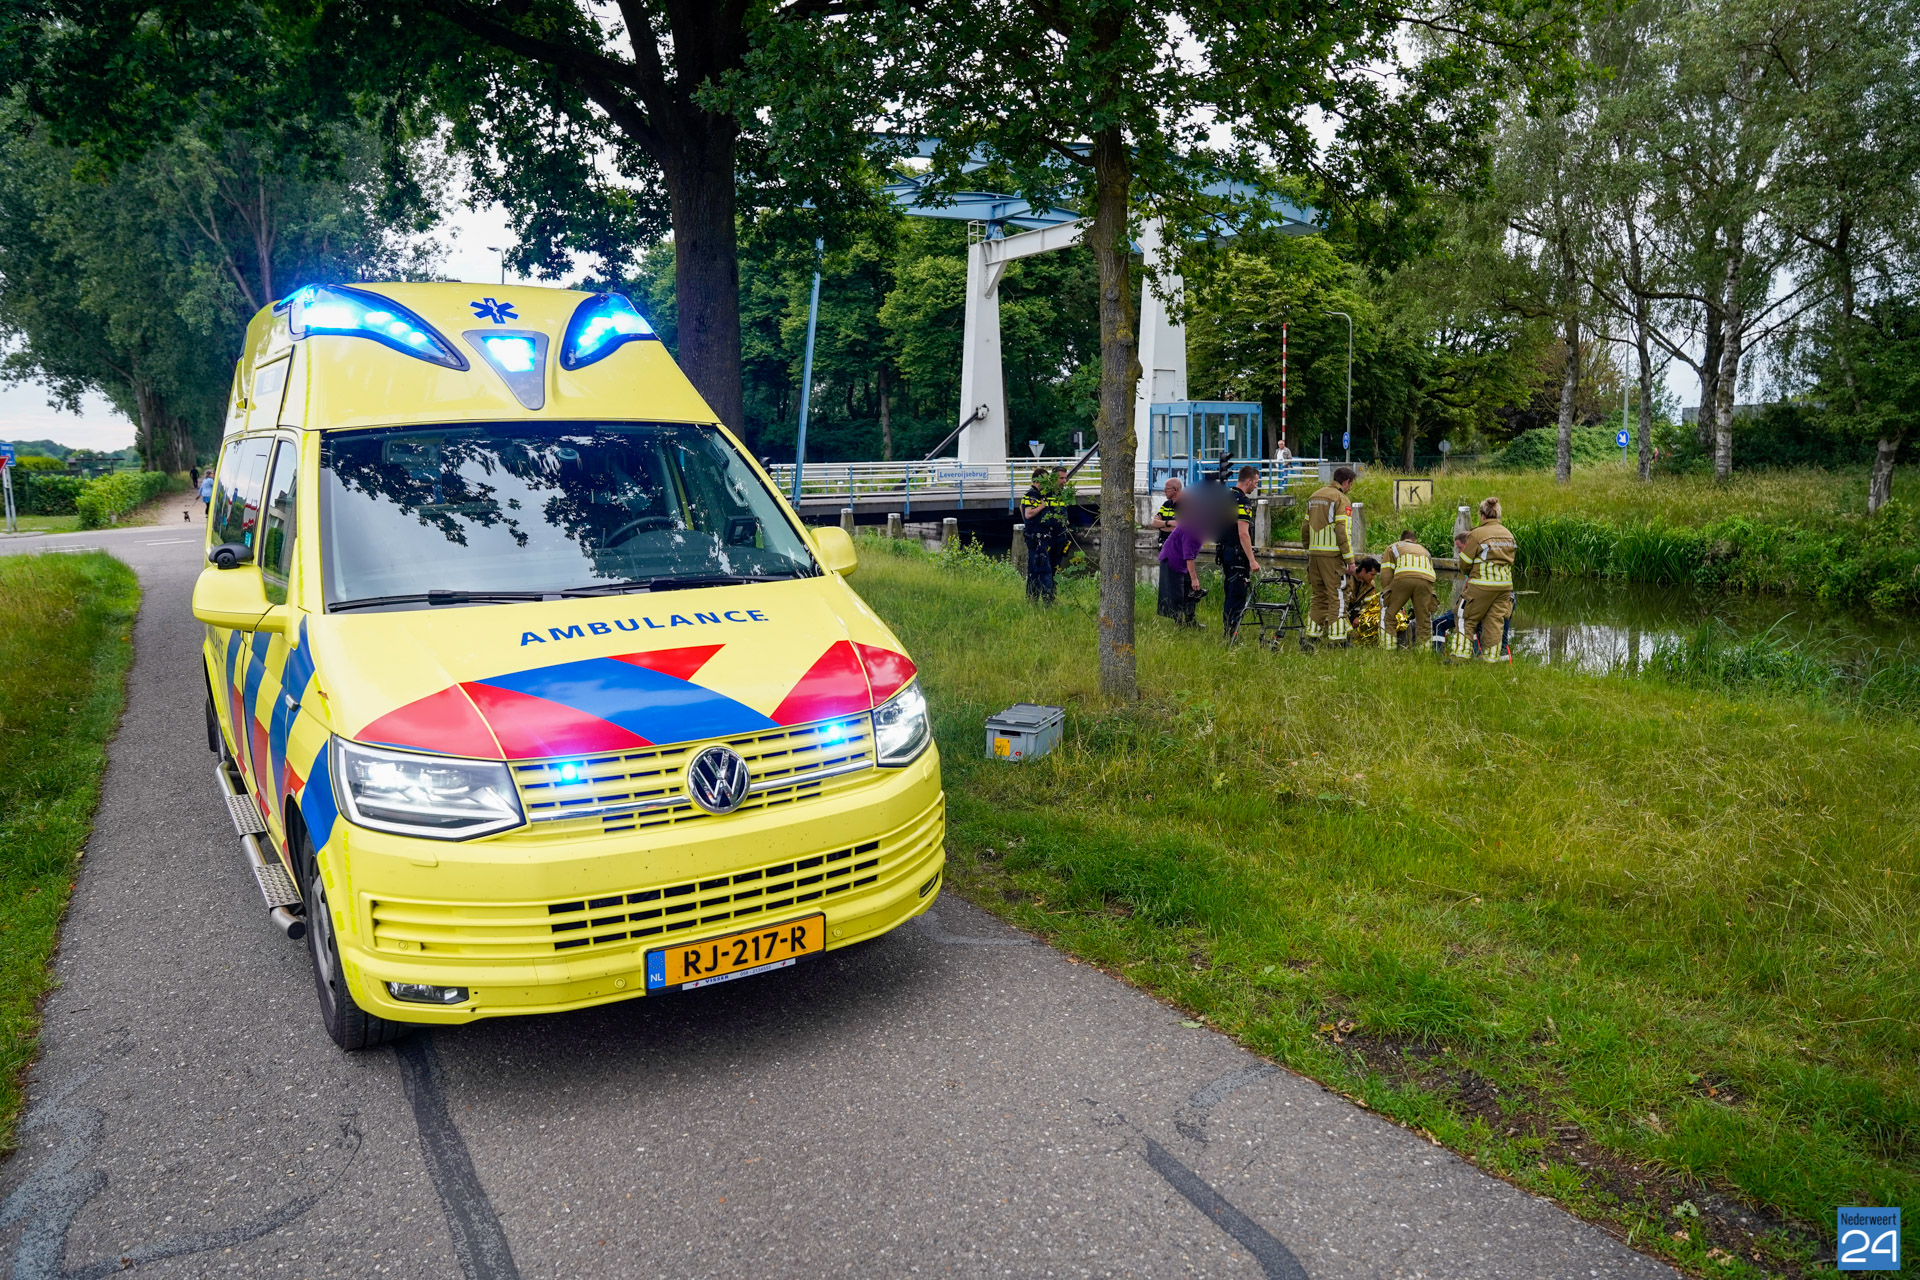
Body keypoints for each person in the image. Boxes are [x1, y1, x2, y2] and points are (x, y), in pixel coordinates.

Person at [1451, 496, 1517, 661]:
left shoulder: (1477, 533)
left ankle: (1460, 657)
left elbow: (1465, 562)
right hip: (1505, 587)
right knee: (1494, 623)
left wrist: (1469, 572)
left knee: (1464, 616)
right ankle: (1490, 660)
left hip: (1481, 585)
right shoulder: (1508, 534)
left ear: (1482, 516)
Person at [1301, 465, 1356, 646]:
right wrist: (1350, 560)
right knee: (1337, 597)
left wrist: (1309, 549)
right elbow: (1342, 531)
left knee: (1318, 597)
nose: (1349, 488)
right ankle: (1338, 640)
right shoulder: (1341, 499)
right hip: (1332, 557)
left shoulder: (1314, 496)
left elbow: (1304, 528)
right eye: (1350, 484)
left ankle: (1311, 637)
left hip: (1314, 556)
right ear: (1346, 482)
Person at [1218, 465, 1261, 639]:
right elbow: (1243, 533)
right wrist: (1252, 560)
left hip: (1224, 552)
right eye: (1256, 482)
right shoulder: (1242, 501)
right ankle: (1232, 633)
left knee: (1229, 591)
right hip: (1237, 554)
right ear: (1248, 480)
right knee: (1237, 594)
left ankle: (1227, 628)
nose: (1256, 486)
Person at [1377, 528, 1438, 649]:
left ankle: (1387, 648)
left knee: (1387, 614)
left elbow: (1386, 575)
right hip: (1426, 581)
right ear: (1415, 542)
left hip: (1403, 577)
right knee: (1424, 618)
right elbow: (1431, 574)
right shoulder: (1425, 551)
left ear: (1401, 540)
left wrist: (1388, 595)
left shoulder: (1393, 547)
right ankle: (1424, 652)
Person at [1157, 503, 1207, 624]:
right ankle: (1178, 622)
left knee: (1189, 590)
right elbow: (1188, 556)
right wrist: (1194, 578)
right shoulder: (1190, 529)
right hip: (1171, 559)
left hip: (1181, 560)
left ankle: (1190, 620)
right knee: (1177, 593)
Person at [1020, 466, 1064, 604]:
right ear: (1039, 480)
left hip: (1041, 537)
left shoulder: (1040, 494)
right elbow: (1027, 512)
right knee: (1044, 571)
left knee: (1034, 572)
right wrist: (1041, 507)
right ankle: (1048, 602)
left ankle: (1031, 601)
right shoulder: (1033, 494)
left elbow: (1021, 508)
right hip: (1037, 539)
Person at [1345, 556, 1382, 645]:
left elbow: (1368, 605)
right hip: (1341, 611)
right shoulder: (1347, 580)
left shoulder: (1370, 585)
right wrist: (1351, 633)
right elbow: (1341, 608)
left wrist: (1359, 616)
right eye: (1372, 574)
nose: (1373, 578)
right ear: (1364, 571)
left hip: (1353, 612)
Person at [1150, 476, 1183, 544]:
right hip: (1163, 545)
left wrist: (1162, 526)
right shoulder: (1166, 504)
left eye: (1167, 489)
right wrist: (1168, 523)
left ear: (1175, 489)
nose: (1164, 491)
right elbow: (1154, 523)